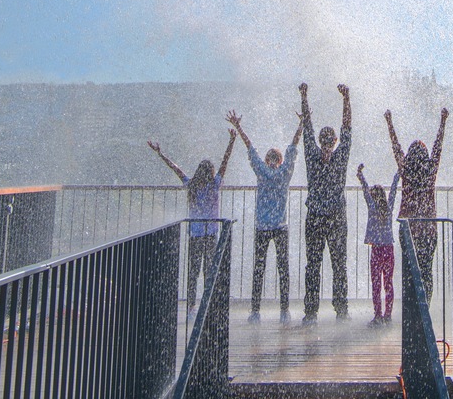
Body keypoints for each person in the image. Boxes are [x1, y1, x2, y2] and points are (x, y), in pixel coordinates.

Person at [227, 109, 303, 324]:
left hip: (273, 226)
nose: (270, 161)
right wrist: (301, 126)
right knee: (271, 268)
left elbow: (288, 149)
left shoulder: (271, 171)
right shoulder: (282, 171)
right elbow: (287, 150)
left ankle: (270, 311)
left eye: (273, 159)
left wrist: (300, 127)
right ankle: (265, 311)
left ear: (276, 161)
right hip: (273, 226)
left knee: (272, 268)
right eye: (270, 158)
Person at [147, 130, 236, 314]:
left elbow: (176, 169)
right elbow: (224, 163)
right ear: (210, 173)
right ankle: (208, 304)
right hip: (210, 232)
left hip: (195, 234)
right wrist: (231, 141)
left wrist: (160, 153)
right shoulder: (214, 185)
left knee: (193, 272)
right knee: (208, 271)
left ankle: (191, 306)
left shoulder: (192, 186)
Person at [299, 81, 352, 324]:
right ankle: (311, 312)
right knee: (314, 263)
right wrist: (304, 97)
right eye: (325, 143)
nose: (327, 147)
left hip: (335, 216)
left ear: (334, 143)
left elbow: (347, 130)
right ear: (321, 143)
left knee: (338, 262)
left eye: (331, 143)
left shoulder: (341, 155)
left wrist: (346, 99)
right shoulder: (312, 154)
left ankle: (341, 310)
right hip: (318, 216)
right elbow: (307, 128)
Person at [384, 106, 449, 303]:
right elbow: (438, 147)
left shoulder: (406, 173)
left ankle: (411, 308)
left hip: (409, 231)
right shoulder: (429, 174)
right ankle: (425, 308)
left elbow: (396, 148)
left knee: (410, 271)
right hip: (428, 231)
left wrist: (389, 123)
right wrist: (443, 122)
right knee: (426, 270)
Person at [356, 162, 399, 325]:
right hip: (388, 249)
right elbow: (394, 192)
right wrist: (397, 175)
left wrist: (360, 176)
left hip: (377, 250)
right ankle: (387, 314)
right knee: (388, 283)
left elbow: (366, 192)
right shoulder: (388, 208)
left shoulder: (372, 208)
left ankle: (378, 315)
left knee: (376, 283)